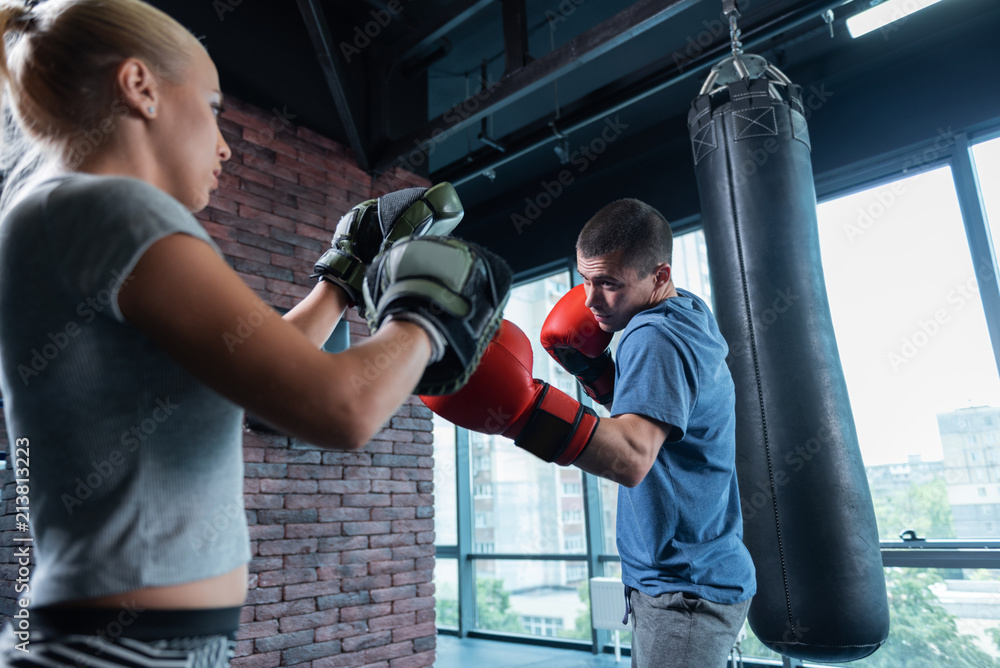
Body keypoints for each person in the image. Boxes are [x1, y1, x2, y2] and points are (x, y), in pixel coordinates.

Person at [0, 0, 507, 665]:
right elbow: (341, 409)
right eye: (212, 107)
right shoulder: (114, 208)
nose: (225, 143)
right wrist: (428, 309)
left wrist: (342, 278)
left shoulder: (54, 209)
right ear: (140, 87)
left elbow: (255, 379)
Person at [423, 198, 755, 668]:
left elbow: (633, 456)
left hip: (684, 590)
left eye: (609, 284)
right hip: (692, 573)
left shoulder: (652, 336)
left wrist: (521, 411)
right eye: (585, 281)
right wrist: (596, 372)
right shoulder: (688, 312)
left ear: (659, 276)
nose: (592, 300)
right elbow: (661, 419)